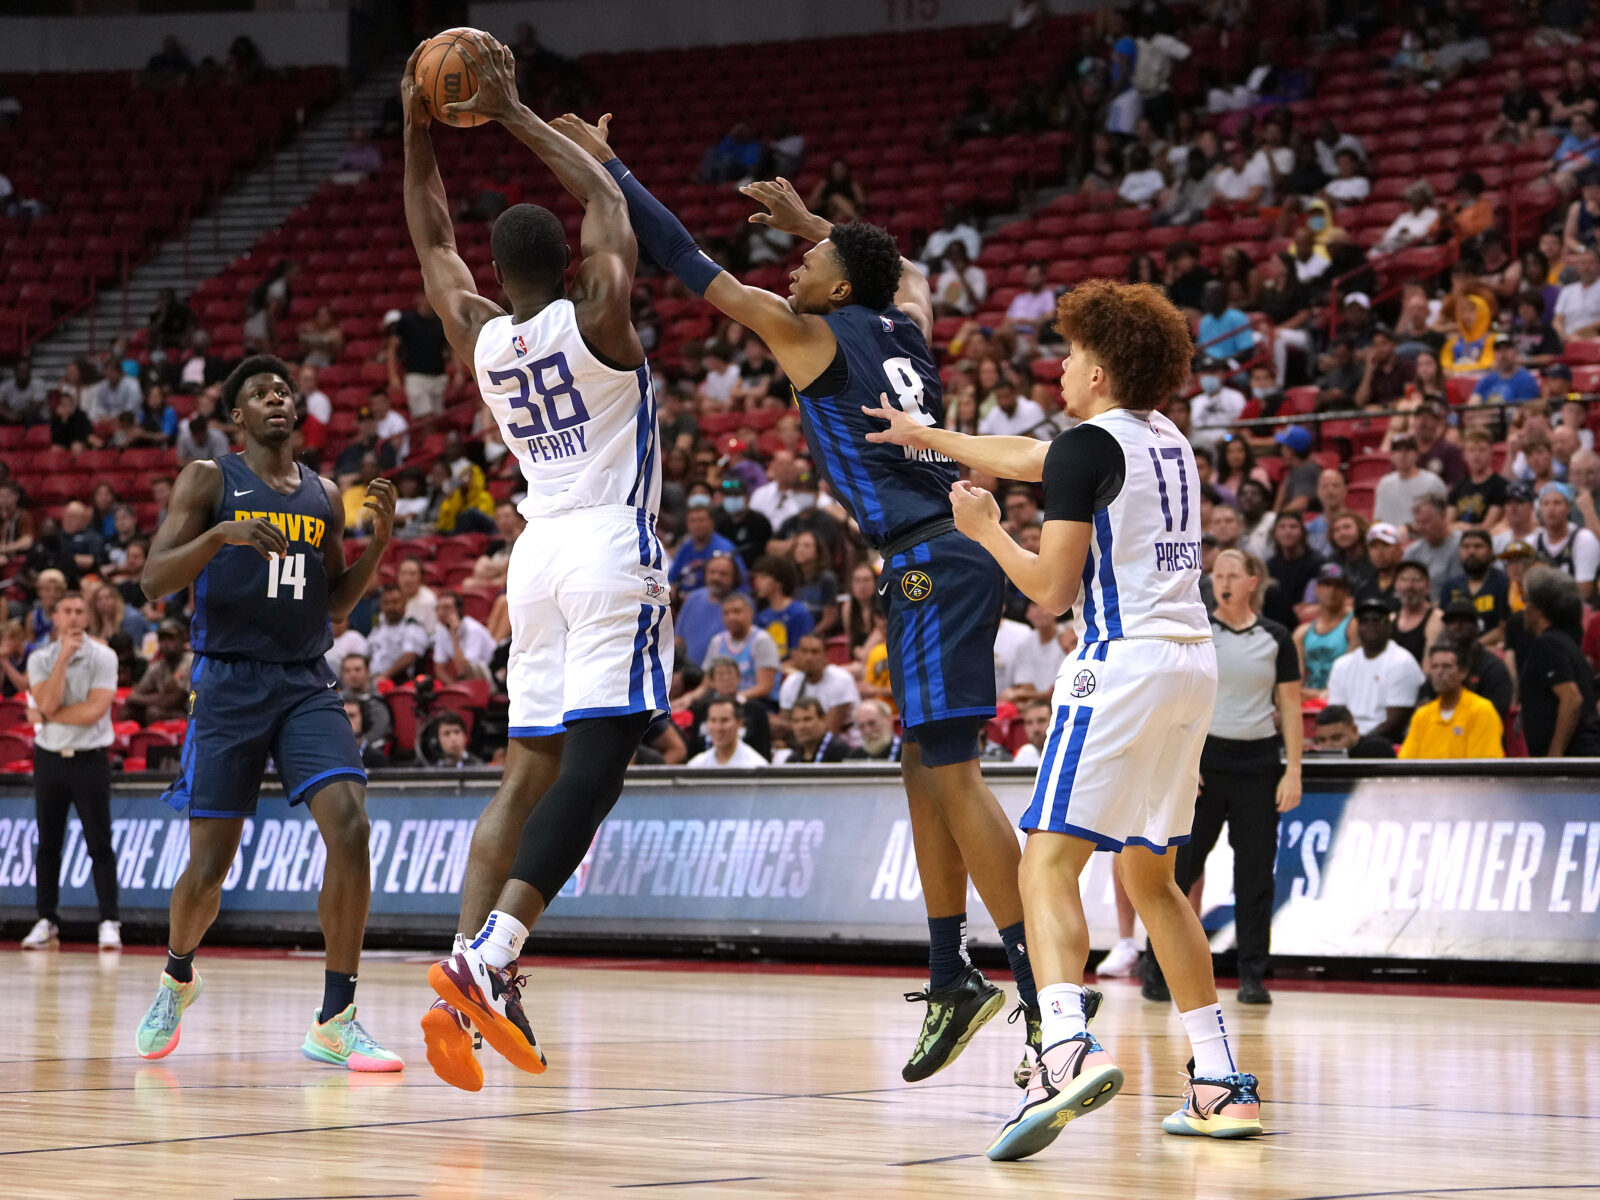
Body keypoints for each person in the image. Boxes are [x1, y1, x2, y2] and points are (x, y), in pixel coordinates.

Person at [553, 114, 1050, 1091]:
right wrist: (805, 220)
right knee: (921, 766)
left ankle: (1045, 990)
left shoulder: (807, 335)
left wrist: (608, 164)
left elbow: (687, 259)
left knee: (950, 775)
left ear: (834, 289)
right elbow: (888, 270)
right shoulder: (903, 326)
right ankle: (951, 971)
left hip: (926, 561)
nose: (794, 270)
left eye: (809, 259)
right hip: (945, 556)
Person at [863, 277, 1265, 1154]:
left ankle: (1064, 1052)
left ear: (1104, 369)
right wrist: (927, 434)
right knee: (1153, 881)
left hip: (1118, 670)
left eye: (1075, 354)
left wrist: (983, 531)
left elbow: (1048, 589)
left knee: (1045, 865)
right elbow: (1028, 455)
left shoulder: (1089, 445)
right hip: (1192, 668)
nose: (1062, 364)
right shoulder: (1167, 440)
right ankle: (1220, 1081)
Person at [399, 37, 676, 1093]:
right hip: (608, 540)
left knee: (528, 775)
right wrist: (517, 114)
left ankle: (472, 989)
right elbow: (610, 208)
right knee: (599, 767)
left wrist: (419, 123)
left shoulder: (478, 336)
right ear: (564, 267)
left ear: (498, 273)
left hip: (536, 553)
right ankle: (490, 956)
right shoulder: (600, 318)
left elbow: (431, 237)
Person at [132, 354, 402, 1070]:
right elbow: (152, 581)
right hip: (226, 684)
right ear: (237, 417)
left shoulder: (321, 492)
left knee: (350, 825)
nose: (278, 399)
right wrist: (221, 536)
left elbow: (335, 604)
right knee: (208, 871)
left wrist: (376, 546)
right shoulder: (209, 479)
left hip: (305, 682)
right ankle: (177, 973)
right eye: (260, 393)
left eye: (284, 389)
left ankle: (334, 1018)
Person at [1168, 548, 1301, 1005]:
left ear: (1252, 581)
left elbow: (1290, 706)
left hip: (1259, 765)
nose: (1222, 581)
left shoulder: (1277, 637)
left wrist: (1294, 770)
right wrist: (1185, 761)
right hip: (1205, 764)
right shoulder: (1197, 632)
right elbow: (1182, 698)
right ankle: (1156, 967)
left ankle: (1251, 975)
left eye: (1232, 574)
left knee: (1255, 875)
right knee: (1179, 870)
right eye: (1217, 574)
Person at [18, 592, 120, 952]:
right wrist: (62, 658)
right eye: (67, 611)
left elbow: (94, 710)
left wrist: (46, 714)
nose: (75, 617)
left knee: (99, 843)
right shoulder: (40, 658)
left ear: (88, 617)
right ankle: (47, 920)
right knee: (48, 844)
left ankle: (109, 920)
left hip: (90, 758)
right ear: (55, 617)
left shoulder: (104, 656)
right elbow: (45, 700)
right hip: (49, 758)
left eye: (80, 611)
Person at [1515, 566, 1600, 756]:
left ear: (1538, 609)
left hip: (1572, 766)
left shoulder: (1547, 644)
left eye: (1525, 600)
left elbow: (1572, 699)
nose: (1523, 608)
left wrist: (1554, 757)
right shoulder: (1567, 644)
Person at [1326, 596, 1426, 741]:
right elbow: (1336, 714)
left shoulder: (1402, 661)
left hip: (1385, 742)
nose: (1370, 626)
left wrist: (1359, 743)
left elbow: (1396, 723)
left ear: (1388, 625)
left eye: (1376, 620)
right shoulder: (1341, 664)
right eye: (1364, 621)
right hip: (1348, 740)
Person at [1398, 641, 1505, 760]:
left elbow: (1482, 769)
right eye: (1434, 666)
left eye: (1446, 666)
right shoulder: (1422, 715)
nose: (1439, 672)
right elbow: (1406, 763)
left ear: (1463, 673)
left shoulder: (1482, 711)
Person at [778, 633, 860, 733]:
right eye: (804, 651)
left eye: (815, 652)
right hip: (804, 741)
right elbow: (786, 722)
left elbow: (830, 730)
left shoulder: (841, 679)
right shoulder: (790, 683)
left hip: (845, 741)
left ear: (826, 655)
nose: (808, 658)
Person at [1532, 483, 1600, 602]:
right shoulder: (1532, 541)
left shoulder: (1583, 539)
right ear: (1540, 509)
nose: (1551, 508)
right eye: (1545, 503)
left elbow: (1584, 592)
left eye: (1557, 503)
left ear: (1568, 508)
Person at [1295, 562, 1355, 693]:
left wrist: (1319, 695)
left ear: (1346, 592)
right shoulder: (1302, 633)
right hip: (1308, 699)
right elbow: (1297, 678)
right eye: (1327, 584)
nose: (1332, 591)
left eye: (1338, 586)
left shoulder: (1353, 626)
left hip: (1340, 699)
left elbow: (1352, 675)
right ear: (1316, 589)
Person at [124, 617, 193, 724]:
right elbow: (134, 694)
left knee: (154, 712)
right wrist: (156, 697)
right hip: (168, 710)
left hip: (190, 715)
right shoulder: (159, 666)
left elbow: (172, 700)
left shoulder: (190, 661)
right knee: (129, 711)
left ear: (181, 639)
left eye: (170, 639)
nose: (166, 644)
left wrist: (140, 699)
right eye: (162, 639)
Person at [432, 591, 496, 682]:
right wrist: (453, 687)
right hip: (469, 679)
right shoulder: (441, 630)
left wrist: (454, 636)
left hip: (492, 675)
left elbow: (464, 669)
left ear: (458, 610)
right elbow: (439, 668)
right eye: (438, 608)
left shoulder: (473, 629)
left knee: (476, 667)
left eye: (447, 608)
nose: (441, 612)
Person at [686, 696, 768, 766]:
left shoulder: (756, 765)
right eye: (713, 720)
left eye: (724, 720)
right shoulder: (697, 765)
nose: (718, 728)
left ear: (739, 723)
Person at [784, 695, 862, 762]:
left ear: (823, 720)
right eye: (796, 721)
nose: (801, 726)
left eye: (807, 719)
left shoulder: (842, 753)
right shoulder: (792, 760)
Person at [345, 700, 391, 769]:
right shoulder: (331, 757)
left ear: (365, 720)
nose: (347, 721)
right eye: (344, 716)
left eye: (352, 716)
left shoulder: (377, 759)